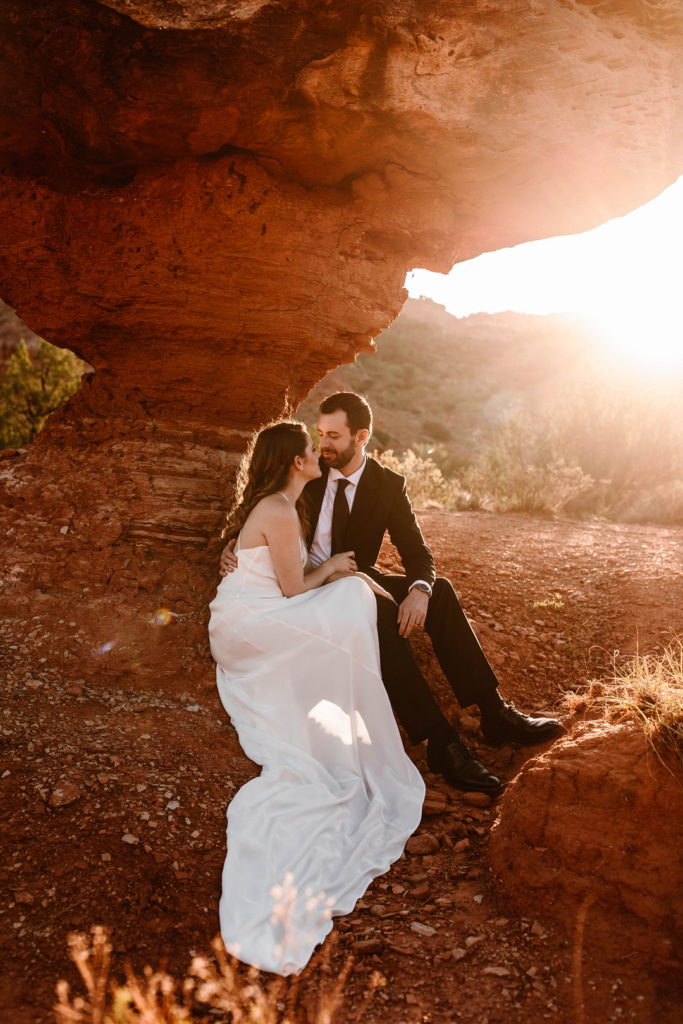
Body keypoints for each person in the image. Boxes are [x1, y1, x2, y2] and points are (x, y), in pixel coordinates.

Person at [221, 393, 562, 794]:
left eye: (334, 435)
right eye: (321, 434)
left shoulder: (387, 485)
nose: (324, 443)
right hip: (311, 588)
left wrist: (419, 590)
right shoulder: (308, 474)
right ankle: (440, 741)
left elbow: (417, 552)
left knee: (441, 593)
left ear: (361, 436)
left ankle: (493, 713)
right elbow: (261, 508)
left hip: (350, 578)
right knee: (378, 612)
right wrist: (232, 546)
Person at [208, 419, 425, 976]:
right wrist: (332, 568)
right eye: (311, 448)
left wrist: (335, 573)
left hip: (258, 609)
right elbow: (294, 589)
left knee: (350, 595)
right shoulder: (279, 509)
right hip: (252, 622)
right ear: (293, 462)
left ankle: (349, 712)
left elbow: (284, 576)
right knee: (349, 596)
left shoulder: (282, 504)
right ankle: (354, 732)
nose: (318, 453)